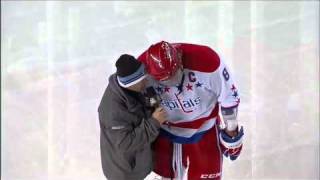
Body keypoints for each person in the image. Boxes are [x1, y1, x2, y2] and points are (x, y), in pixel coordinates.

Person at [138, 41, 244, 180]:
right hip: (165, 131)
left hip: (205, 127)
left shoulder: (208, 61)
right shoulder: (140, 70)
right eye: (164, 81)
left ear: (180, 59)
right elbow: (136, 101)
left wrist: (231, 130)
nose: (171, 83)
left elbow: (229, 96)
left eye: (174, 76)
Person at [98, 54, 167, 180]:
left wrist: (154, 104)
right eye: (142, 80)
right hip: (125, 173)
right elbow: (126, 143)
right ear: (132, 83)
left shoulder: (132, 86)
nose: (146, 81)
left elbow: (147, 94)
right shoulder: (113, 111)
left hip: (141, 163)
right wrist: (154, 122)